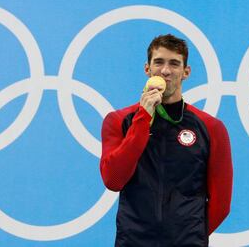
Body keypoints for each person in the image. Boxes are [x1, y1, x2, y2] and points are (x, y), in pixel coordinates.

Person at [100, 34, 233, 247]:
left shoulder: (211, 128)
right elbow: (113, 180)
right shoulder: (118, 121)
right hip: (133, 242)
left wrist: (189, 236)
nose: (166, 71)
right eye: (159, 62)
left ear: (185, 72)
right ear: (147, 69)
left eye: (174, 63)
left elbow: (222, 203)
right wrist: (143, 118)